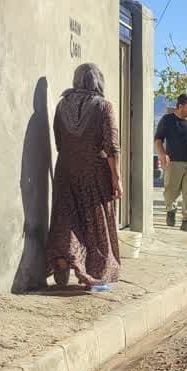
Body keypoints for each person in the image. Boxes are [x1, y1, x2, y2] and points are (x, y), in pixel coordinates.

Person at [46, 63, 122, 292]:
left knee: (67, 218)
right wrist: (116, 179)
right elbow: (112, 147)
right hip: (94, 171)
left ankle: (62, 259)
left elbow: (58, 141)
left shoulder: (61, 105)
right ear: (99, 81)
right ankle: (94, 273)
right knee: (95, 221)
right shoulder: (104, 107)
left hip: (66, 168)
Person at [155, 94, 187, 232]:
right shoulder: (167, 120)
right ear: (180, 106)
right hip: (174, 163)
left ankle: (186, 221)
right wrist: (162, 154)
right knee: (170, 192)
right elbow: (158, 139)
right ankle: (171, 210)